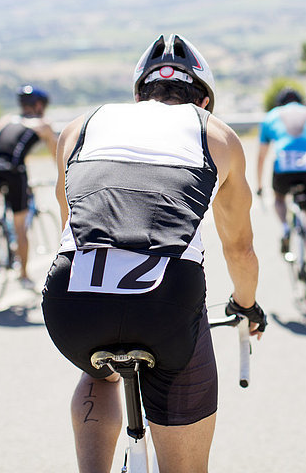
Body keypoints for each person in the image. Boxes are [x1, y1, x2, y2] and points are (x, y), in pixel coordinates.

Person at [42, 34, 266, 473]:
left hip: (71, 296)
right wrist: (245, 305)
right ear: (203, 101)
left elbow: (69, 222)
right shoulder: (217, 134)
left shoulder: (80, 126)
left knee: (99, 369)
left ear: (139, 95)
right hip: (166, 301)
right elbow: (239, 247)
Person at [256, 87, 306, 298]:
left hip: (283, 172)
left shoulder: (271, 116)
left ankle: (286, 227)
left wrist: (260, 186)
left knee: (279, 199)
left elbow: (261, 156)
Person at [0, 85, 57, 287]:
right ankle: (23, 275)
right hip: (15, 171)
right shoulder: (43, 123)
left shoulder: (6, 119)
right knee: (20, 225)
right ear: (39, 105)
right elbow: (55, 153)